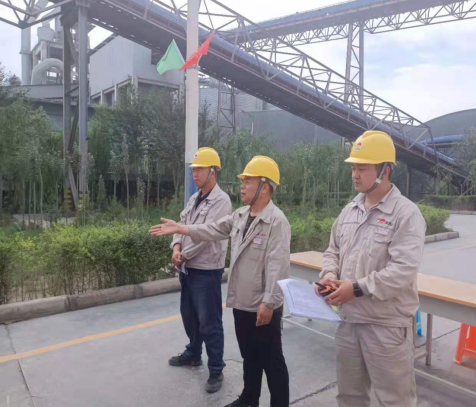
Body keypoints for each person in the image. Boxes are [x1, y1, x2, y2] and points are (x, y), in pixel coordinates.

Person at [150, 155, 290, 407]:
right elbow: (212, 229)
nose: (242, 186)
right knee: (249, 355)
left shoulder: (276, 221)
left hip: (262, 304)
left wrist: (269, 303)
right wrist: (181, 229)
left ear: (265, 186)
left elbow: (277, 265)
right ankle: (249, 398)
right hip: (242, 301)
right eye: (243, 181)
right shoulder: (241, 215)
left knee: (272, 360)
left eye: (248, 181)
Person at [316, 131, 426, 407]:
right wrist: (329, 275)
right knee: (349, 397)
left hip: (385, 327)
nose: (355, 174)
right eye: (353, 167)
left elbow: (402, 271)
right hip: (349, 322)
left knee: (395, 400)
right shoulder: (349, 211)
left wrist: (356, 289)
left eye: (362, 168)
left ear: (385, 170)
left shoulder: (405, 214)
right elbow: (333, 251)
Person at [167, 147, 232, 394]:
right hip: (188, 268)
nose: (195, 174)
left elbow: (206, 235)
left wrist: (182, 255)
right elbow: (180, 225)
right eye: (194, 170)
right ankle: (194, 353)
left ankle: (216, 369)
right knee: (189, 316)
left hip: (207, 270)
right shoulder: (194, 198)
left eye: (200, 169)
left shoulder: (221, 201)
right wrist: (176, 248)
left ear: (213, 171)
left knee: (209, 322)